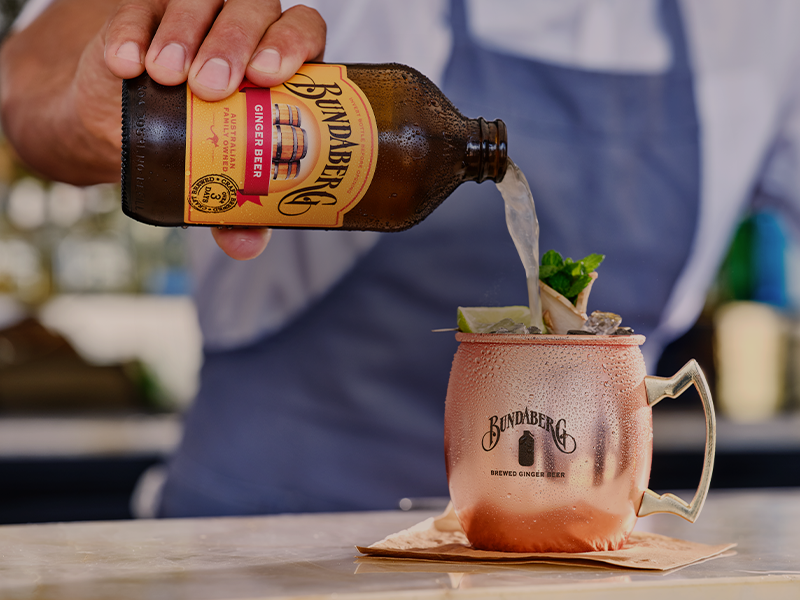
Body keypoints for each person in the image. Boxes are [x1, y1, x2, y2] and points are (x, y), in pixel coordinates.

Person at [2, 0, 800, 516]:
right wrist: (98, 103)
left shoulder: (759, 22)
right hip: (257, 544)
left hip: (559, 561)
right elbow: (29, 76)